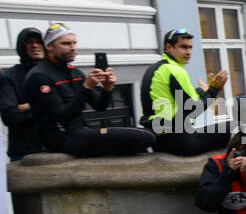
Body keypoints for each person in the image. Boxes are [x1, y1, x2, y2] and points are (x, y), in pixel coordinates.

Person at [24, 24, 154, 157]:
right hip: (61, 139)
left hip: (81, 131)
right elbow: (62, 118)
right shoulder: (39, 76)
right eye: (66, 43)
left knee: (145, 135)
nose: (73, 48)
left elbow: (100, 106)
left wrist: (107, 88)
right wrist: (87, 87)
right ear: (49, 46)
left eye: (74, 43)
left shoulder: (74, 71)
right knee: (143, 137)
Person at [139, 28, 230, 155]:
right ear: (168, 47)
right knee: (238, 127)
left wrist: (206, 91)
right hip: (180, 141)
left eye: (190, 48)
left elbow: (185, 100)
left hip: (159, 140)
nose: (188, 52)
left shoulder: (154, 69)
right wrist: (214, 90)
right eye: (183, 47)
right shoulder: (175, 71)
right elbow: (193, 109)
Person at [1, 27, 46, 161]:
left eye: (38, 42)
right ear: (22, 47)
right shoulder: (9, 76)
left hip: (54, 147)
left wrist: (25, 106)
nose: (35, 46)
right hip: (24, 152)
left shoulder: (53, 73)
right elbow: (9, 115)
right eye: (30, 42)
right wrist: (41, 105)